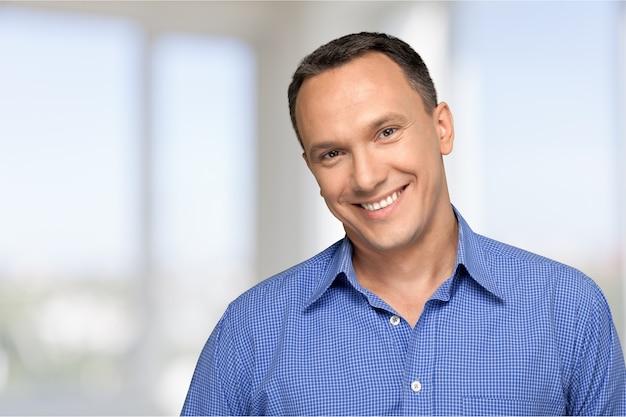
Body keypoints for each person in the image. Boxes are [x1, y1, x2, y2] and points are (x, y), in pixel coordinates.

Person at [181, 32, 626, 416]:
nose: (367, 177)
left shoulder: (568, 310)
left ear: (442, 128)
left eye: (386, 132)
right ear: (312, 169)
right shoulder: (252, 330)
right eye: (332, 153)